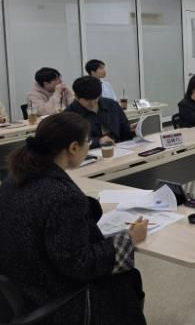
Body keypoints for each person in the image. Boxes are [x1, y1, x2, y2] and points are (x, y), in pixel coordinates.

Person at [0, 112, 148, 324]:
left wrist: (85, 207)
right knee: (128, 280)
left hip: (23, 283)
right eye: (88, 141)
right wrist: (129, 239)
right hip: (57, 298)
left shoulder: (14, 177)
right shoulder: (63, 196)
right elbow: (80, 264)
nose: (89, 145)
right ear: (73, 148)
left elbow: (41, 213)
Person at [66, 76, 134, 148]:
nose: (92, 103)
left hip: (119, 148)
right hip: (90, 152)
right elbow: (72, 141)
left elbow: (124, 132)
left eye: (95, 98)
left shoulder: (111, 105)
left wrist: (132, 130)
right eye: (87, 100)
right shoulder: (69, 115)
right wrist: (97, 141)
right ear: (76, 96)